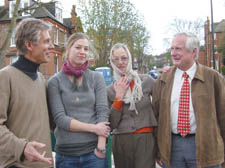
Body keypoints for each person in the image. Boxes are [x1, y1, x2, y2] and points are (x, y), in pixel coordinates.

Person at [152, 32, 225, 168]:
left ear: (194, 51)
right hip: (172, 147)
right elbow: (156, 117)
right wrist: (158, 150)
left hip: (206, 147)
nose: (173, 53)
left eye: (178, 49)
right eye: (172, 49)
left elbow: (223, 115)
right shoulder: (163, 80)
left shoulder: (213, 78)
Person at [47, 32, 110, 168]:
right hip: (66, 156)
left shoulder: (96, 78)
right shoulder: (55, 82)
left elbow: (102, 112)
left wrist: (101, 147)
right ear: (68, 49)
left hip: (94, 154)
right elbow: (60, 119)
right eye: (78, 47)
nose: (82, 52)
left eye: (86, 49)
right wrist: (94, 128)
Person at [0, 18, 54, 167]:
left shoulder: (41, 79)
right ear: (29, 45)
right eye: (46, 42)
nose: (52, 46)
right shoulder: (5, 77)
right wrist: (23, 148)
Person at [107, 43, 157, 168]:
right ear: (112, 62)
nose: (120, 62)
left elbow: (163, 102)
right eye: (115, 59)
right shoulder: (109, 90)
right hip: (121, 141)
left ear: (130, 58)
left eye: (124, 58)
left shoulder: (146, 81)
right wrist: (118, 97)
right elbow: (111, 123)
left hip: (145, 139)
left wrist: (169, 73)